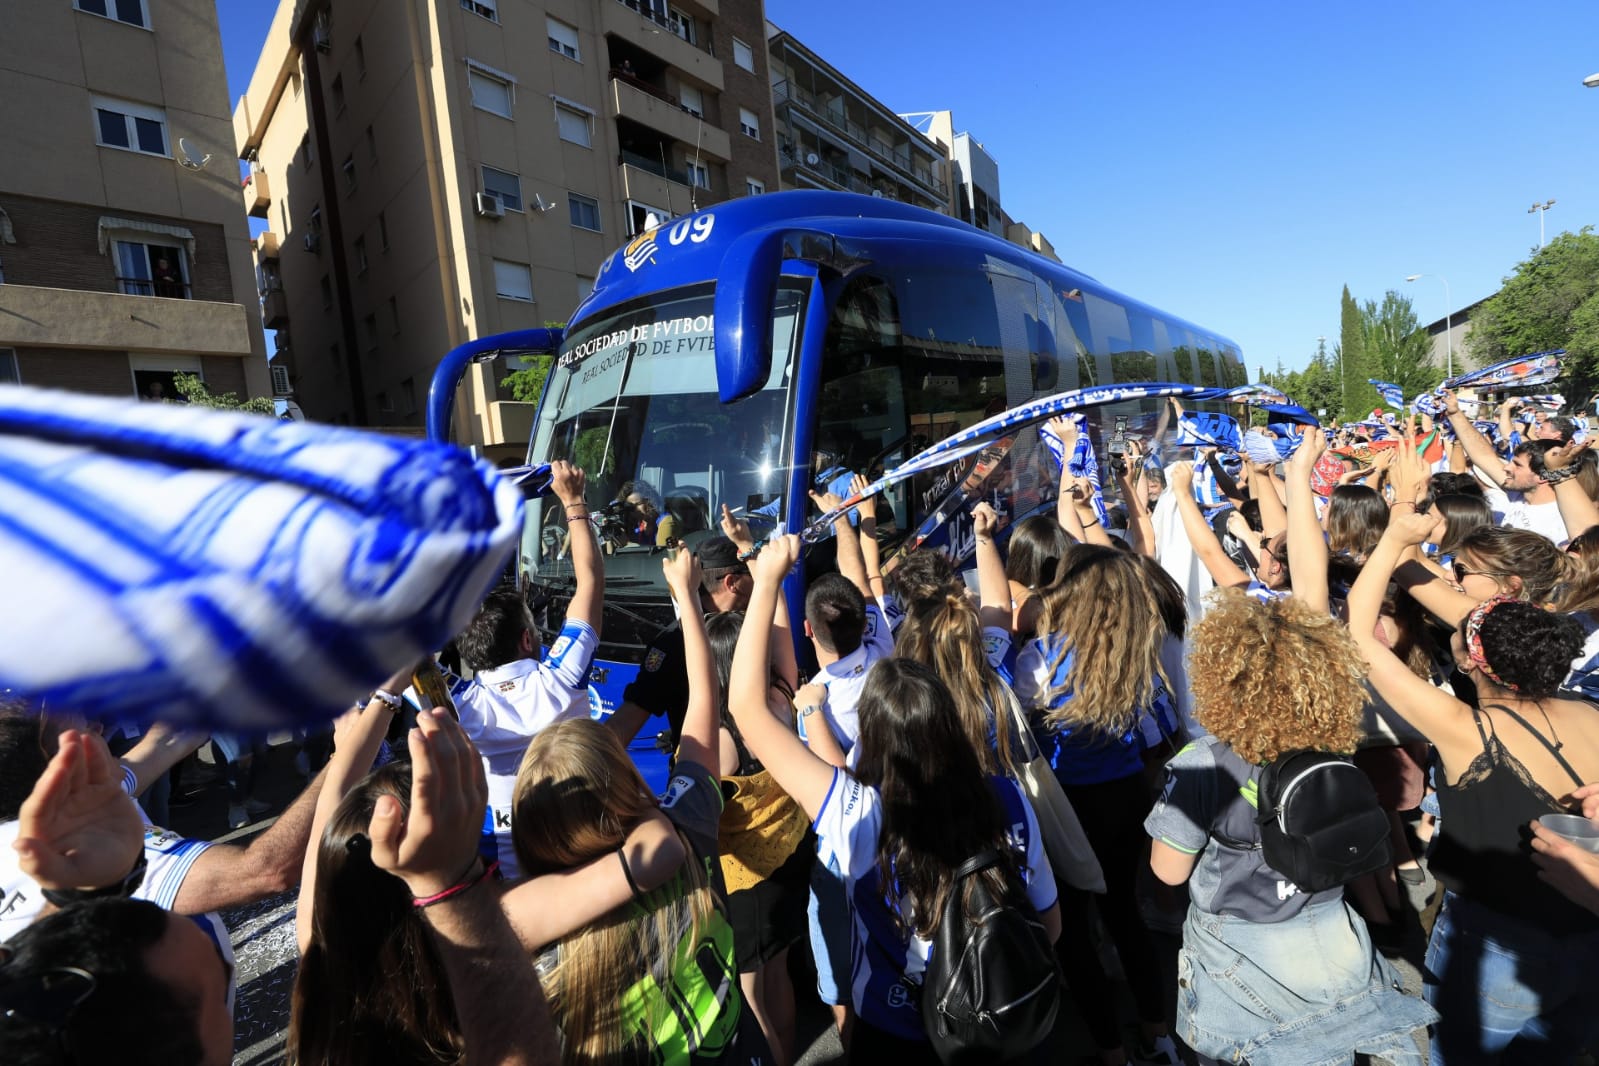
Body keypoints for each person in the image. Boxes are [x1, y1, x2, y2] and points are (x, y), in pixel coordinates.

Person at [726, 535, 1061, 1063]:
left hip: (897, 1026)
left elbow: (747, 710)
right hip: (999, 1021)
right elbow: (1050, 921)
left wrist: (766, 579)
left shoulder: (857, 814)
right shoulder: (1007, 796)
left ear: (874, 740)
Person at [1145, 589, 1435, 1066]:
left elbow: (1169, 872)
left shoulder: (1202, 764)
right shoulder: (1335, 749)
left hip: (1240, 944)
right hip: (1331, 927)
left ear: (1220, 679)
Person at [1351, 508, 1599, 1064]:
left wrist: (1394, 538)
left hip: (1498, 945)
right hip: (1588, 936)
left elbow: (1359, 636)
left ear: (1467, 660)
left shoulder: (1466, 729)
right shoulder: (1590, 713)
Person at [511, 549, 772, 1064]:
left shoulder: (540, 966)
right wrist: (687, 606)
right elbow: (703, 700)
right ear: (623, 777)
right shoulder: (688, 826)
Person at [1014, 544, 1177, 1066]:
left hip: (1065, 810)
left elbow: (1020, 735)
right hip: (1126, 800)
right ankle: (1159, 1037)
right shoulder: (1136, 655)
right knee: (1125, 914)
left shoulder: (1039, 657)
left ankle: (1110, 1051)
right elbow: (1160, 736)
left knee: (1072, 931)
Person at [0, 728, 231, 1065]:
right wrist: (337, 764)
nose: (100, 724)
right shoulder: (73, 824)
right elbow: (265, 871)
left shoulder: (89, 802)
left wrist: (73, 897)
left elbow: (155, 750)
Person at [444, 459, 601, 879]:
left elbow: (403, 653)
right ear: (528, 641)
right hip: (586, 866)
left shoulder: (458, 704)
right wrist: (573, 502)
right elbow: (589, 583)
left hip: (509, 887)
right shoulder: (561, 680)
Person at [704, 611, 810, 1066]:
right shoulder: (782, 695)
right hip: (793, 855)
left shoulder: (725, 738)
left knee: (749, 993)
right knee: (779, 971)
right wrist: (764, 570)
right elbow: (783, 639)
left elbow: (696, 814)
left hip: (746, 883)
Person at [609, 507, 757, 750]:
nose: (757, 577)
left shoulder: (752, 626)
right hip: (702, 779)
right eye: (749, 571)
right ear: (732, 582)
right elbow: (628, 719)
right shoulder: (673, 644)